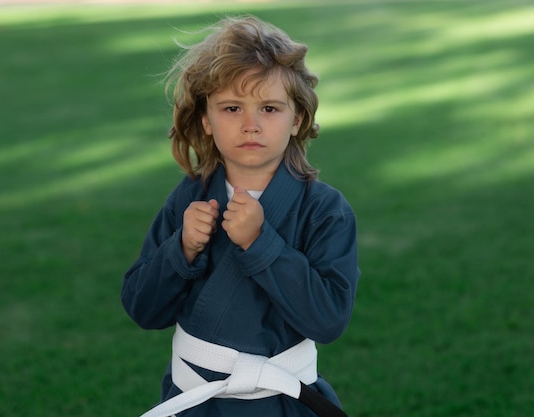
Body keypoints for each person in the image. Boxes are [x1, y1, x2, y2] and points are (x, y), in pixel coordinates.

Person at [122, 15, 360, 417]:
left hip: (283, 402)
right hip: (195, 400)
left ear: (297, 118)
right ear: (206, 120)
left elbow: (329, 319)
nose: (251, 125)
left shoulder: (325, 210)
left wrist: (260, 245)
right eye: (232, 108)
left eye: (269, 108)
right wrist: (181, 250)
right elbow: (143, 308)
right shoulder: (189, 199)